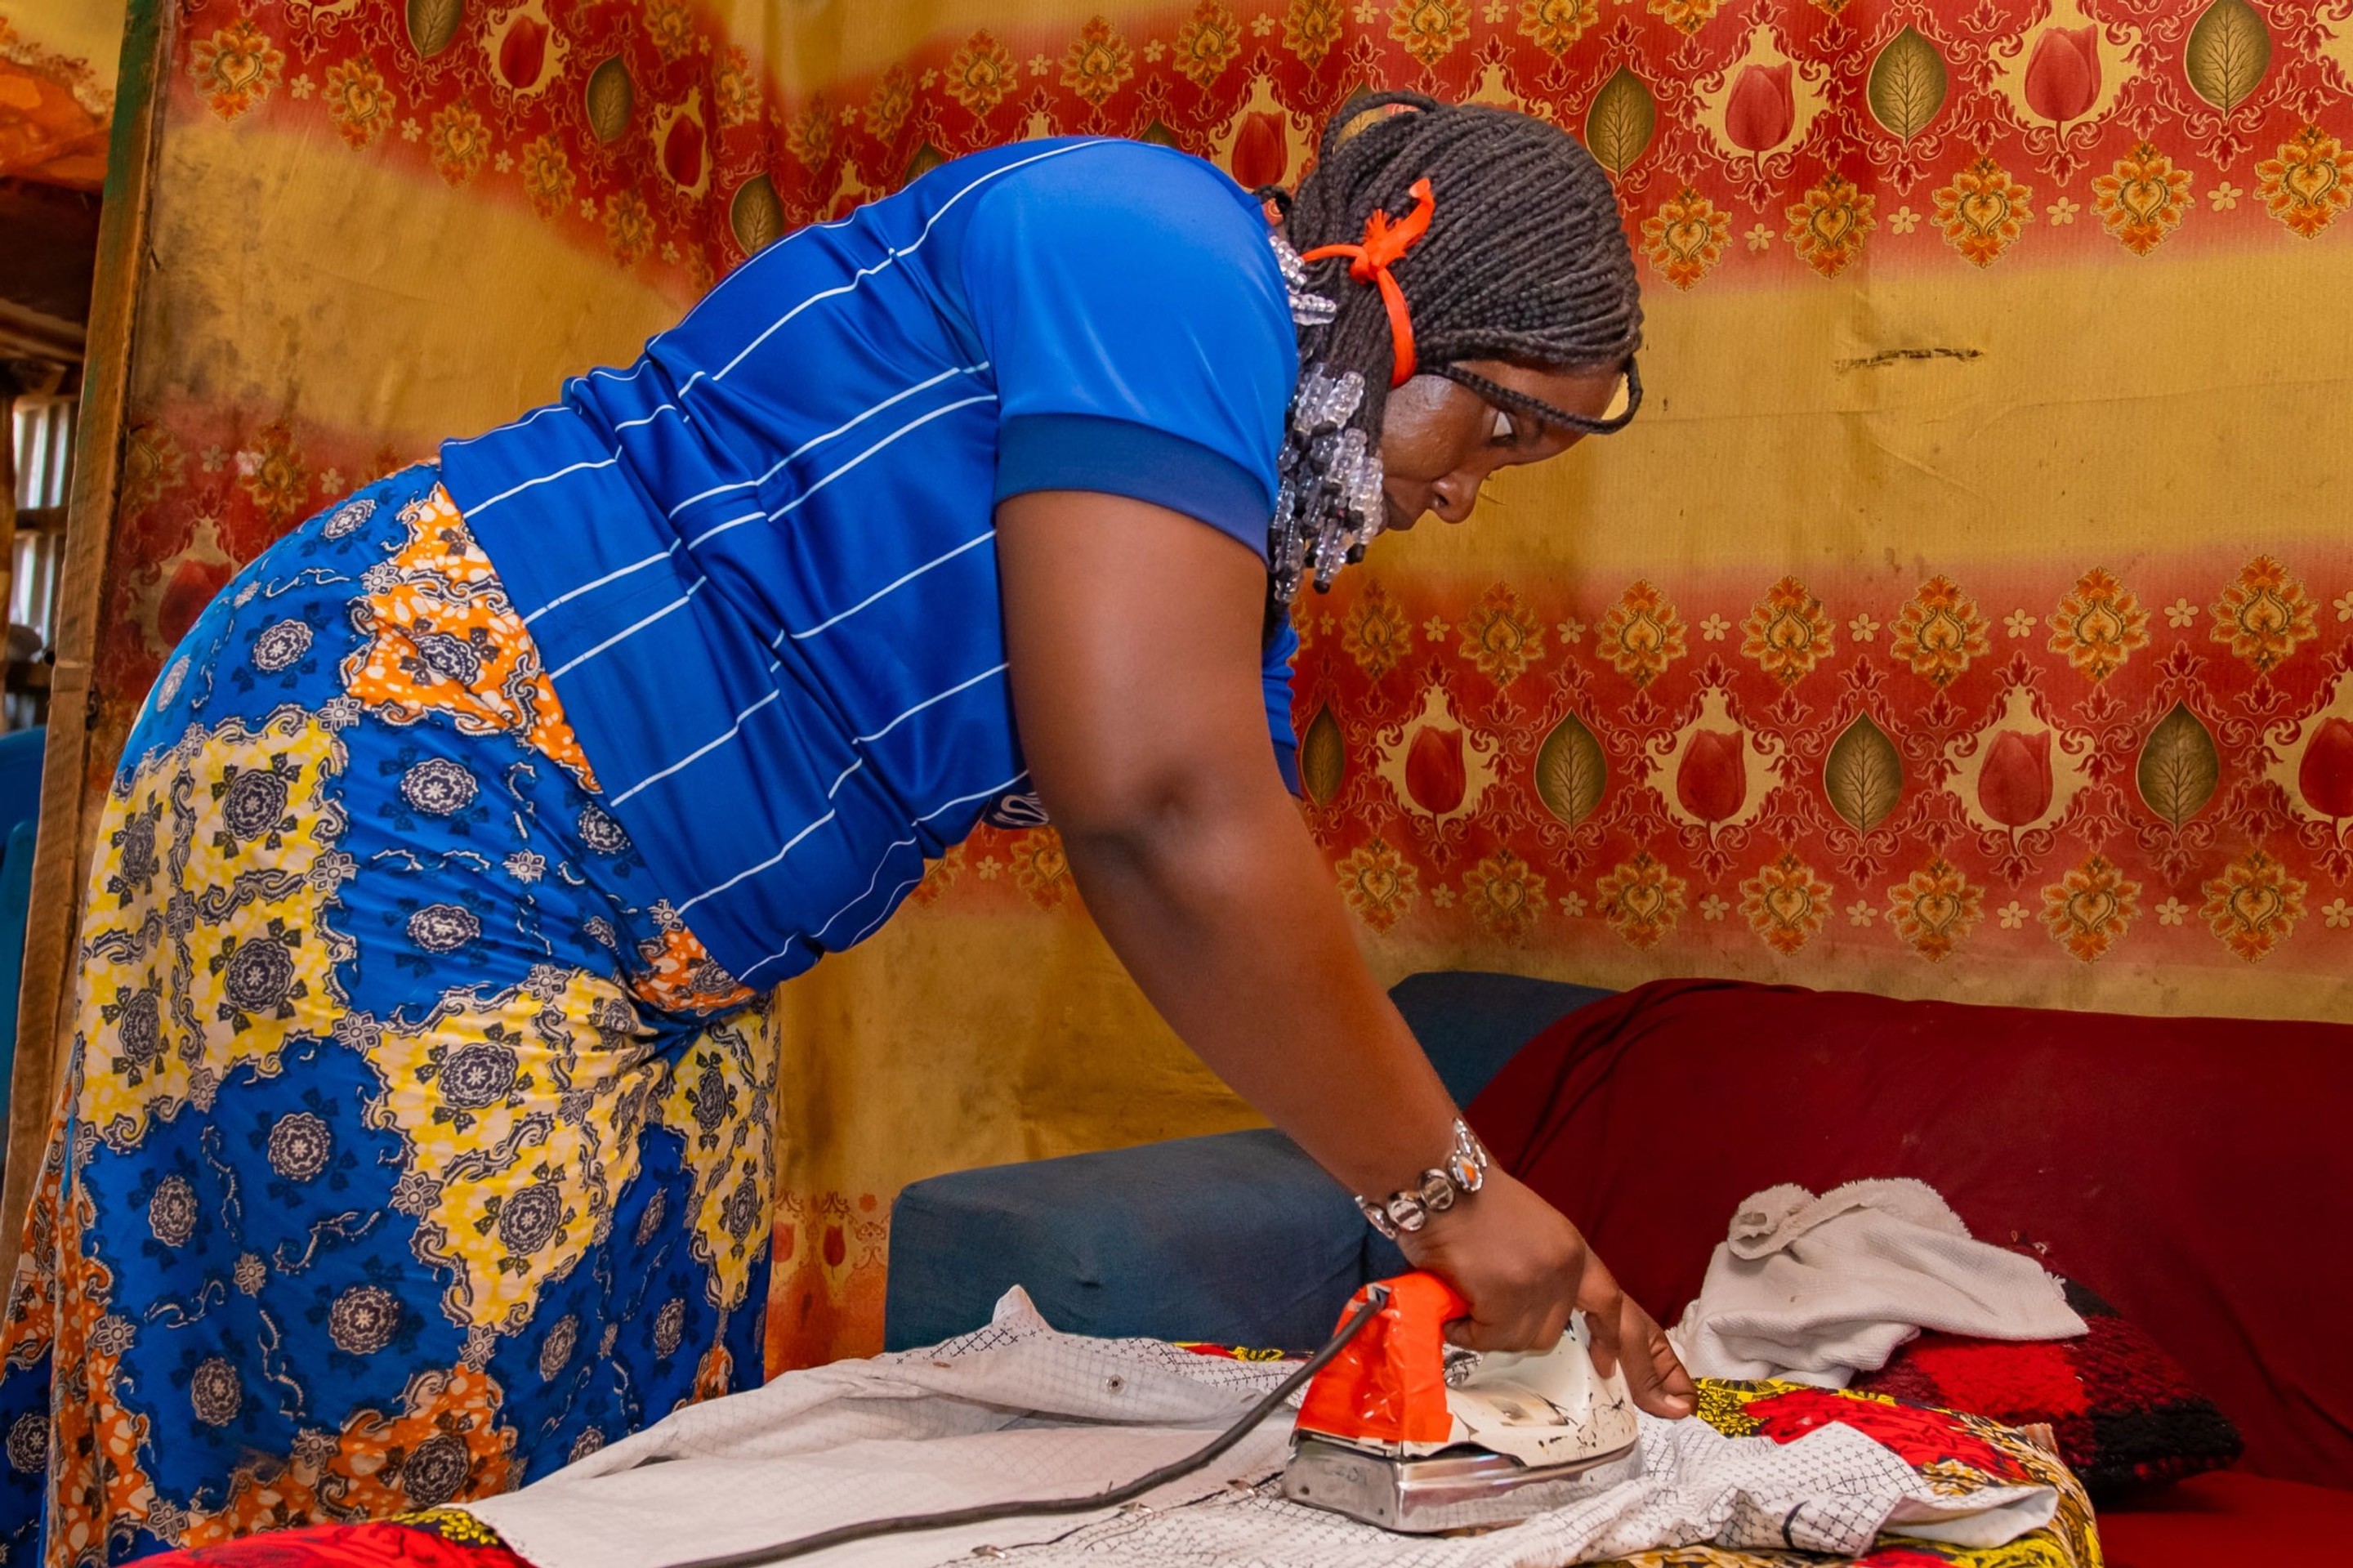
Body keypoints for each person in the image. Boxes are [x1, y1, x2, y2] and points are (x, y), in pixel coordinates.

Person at [0, 92, 1693, 1563]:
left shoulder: (1229, 580)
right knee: (405, 1436)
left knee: (631, 1482)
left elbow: (1230, 891)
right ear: (1398, 285)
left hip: (672, 963)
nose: (1473, 490)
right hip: (414, 776)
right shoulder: (1168, 250)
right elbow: (1158, 811)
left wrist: (1462, 1210)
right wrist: (1453, 1200)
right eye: (1502, 426)